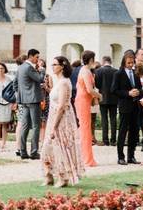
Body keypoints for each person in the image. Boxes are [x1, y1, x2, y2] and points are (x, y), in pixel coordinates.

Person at [40, 55, 85, 188]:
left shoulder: (65, 82)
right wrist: (48, 89)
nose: (53, 67)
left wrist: (54, 126)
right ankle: (48, 176)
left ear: (62, 66)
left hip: (62, 120)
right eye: (52, 65)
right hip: (53, 117)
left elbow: (62, 105)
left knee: (60, 148)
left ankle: (63, 177)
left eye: (55, 64)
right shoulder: (58, 81)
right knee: (46, 148)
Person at [112, 51, 143, 165]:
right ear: (124, 62)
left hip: (136, 106)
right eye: (128, 63)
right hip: (125, 106)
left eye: (132, 62)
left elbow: (141, 89)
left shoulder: (136, 73)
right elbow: (114, 90)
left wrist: (138, 92)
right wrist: (128, 93)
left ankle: (131, 156)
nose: (130, 65)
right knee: (123, 131)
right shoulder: (118, 74)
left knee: (134, 132)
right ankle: (121, 157)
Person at [16, 48, 45, 160]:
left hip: (24, 100)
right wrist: (42, 70)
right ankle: (33, 152)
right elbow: (40, 79)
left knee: (25, 126)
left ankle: (23, 151)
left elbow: (15, 83)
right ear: (31, 56)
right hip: (33, 99)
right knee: (36, 126)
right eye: (37, 57)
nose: (38, 59)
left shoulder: (21, 67)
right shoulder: (28, 67)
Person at [74, 50, 101, 167]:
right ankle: (87, 159)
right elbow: (89, 90)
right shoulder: (85, 71)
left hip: (83, 100)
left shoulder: (84, 70)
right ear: (91, 60)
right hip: (83, 101)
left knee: (85, 129)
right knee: (85, 129)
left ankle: (85, 157)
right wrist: (99, 95)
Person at [95, 56, 118, 147]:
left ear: (103, 61)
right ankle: (113, 140)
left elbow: (97, 84)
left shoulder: (98, 71)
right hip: (114, 98)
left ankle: (105, 140)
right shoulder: (116, 71)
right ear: (110, 61)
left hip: (103, 97)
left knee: (104, 119)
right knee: (113, 119)